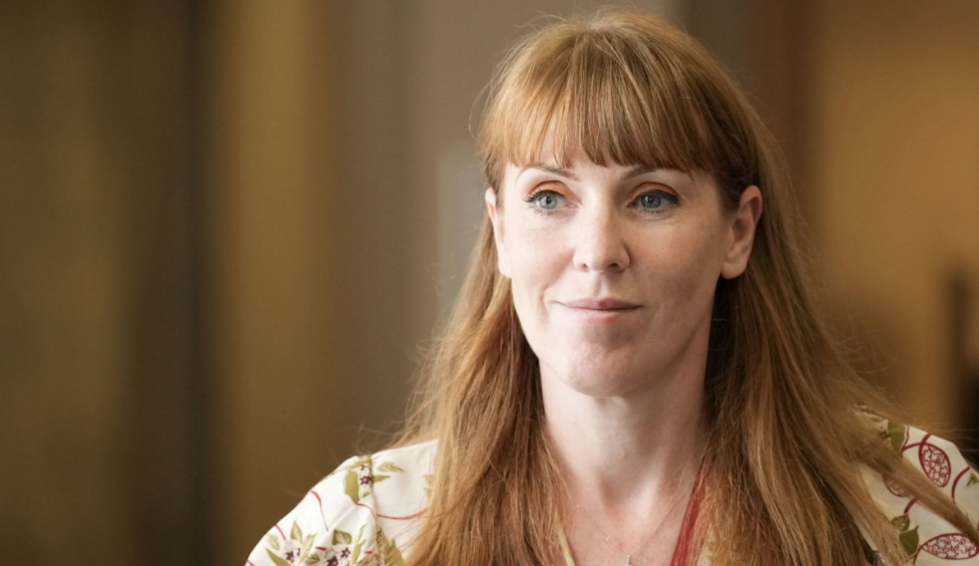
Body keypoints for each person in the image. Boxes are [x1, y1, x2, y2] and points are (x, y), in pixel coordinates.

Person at [246, 10, 979, 566]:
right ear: (499, 229)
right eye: (549, 197)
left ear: (738, 232)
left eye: (652, 197)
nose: (597, 250)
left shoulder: (909, 514)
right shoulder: (355, 533)